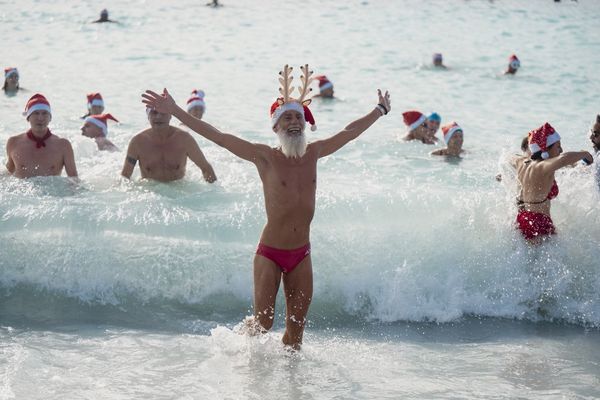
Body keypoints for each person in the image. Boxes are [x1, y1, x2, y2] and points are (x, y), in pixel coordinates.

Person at [141, 64, 391, 350]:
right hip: (270, 253)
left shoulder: (314, 152)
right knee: (263, 323)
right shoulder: (264, 157)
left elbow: (349, 132)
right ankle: (237, 344)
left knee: (296, 332)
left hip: (302, 253)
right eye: (287, 118)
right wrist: (176, 111)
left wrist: (379, 110)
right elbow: (220, 137)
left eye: (298, 116)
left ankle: (290, 384)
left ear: (306, 123)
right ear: (276, 126)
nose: (294, 121)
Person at [514, 123, 592, 243]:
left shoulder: (524, 162)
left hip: (523, 219)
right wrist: (585, 153)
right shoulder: (542, 166)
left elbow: (566, 162)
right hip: (538, 223)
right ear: (545, 149)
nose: (561, 150)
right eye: (558, 146)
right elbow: (563, 159)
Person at [121, 106, 217, 183]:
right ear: (148, 116)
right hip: (151, 194)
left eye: (163, 113)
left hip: (179, 193)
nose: (158, 117)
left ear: (170, 115)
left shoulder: (184, 140)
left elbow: (205, 168)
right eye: (154, 113)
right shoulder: (138, 142)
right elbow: (125, 176)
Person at [5, 94, 78, 179]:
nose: (40, 118)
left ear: (50, 118)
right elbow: (8, 173)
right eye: (36, 113)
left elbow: (74, 181)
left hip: (53, 191)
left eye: (45, 113)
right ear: (28, 117)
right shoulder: (14, 142)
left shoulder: (63, 145)